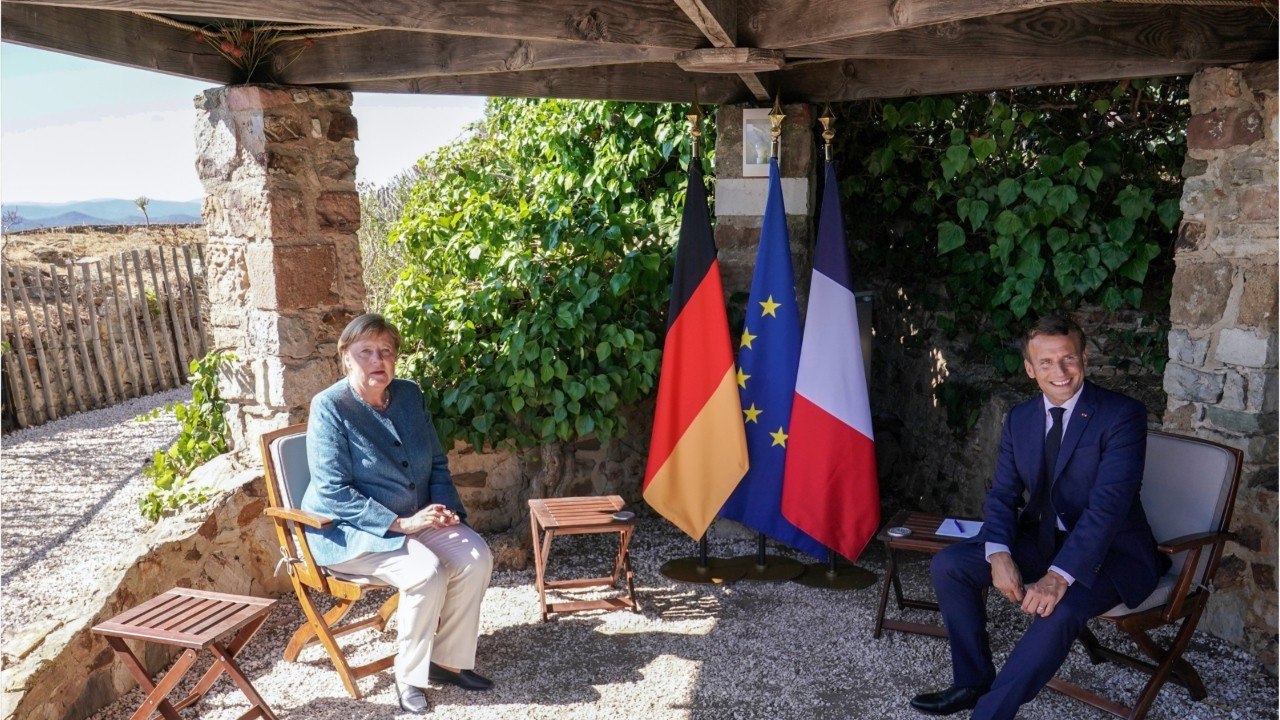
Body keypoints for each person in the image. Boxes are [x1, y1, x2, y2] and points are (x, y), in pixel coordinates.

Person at [910, 314, 1168, 720]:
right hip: (1046, 540)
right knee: (951, 565)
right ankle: (972, 683)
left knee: (1061, 607)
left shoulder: (1122, 415)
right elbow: (1003, 494)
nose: (1059, 371)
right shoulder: (1021, 418)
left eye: (1068, 358)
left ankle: (990, 713)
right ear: (1030, 369)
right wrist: (998, 553)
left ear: (1084, 359)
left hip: (1114, 552)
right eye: (1046, 362)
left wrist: (1058, 576)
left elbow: (1109, 507)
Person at [302, 313, 494, 714]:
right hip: (351, 531)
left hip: (415, 519)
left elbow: (436, 462)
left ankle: (446, 662)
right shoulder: (330, 406)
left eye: (386, 351)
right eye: (366, 352)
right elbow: (333, 490)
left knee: (476, 557)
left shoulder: (408, 395)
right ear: (345, 357)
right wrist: (399, 524)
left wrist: (444, 510)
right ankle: (408, 678)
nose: (378, 360)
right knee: (426, 572)